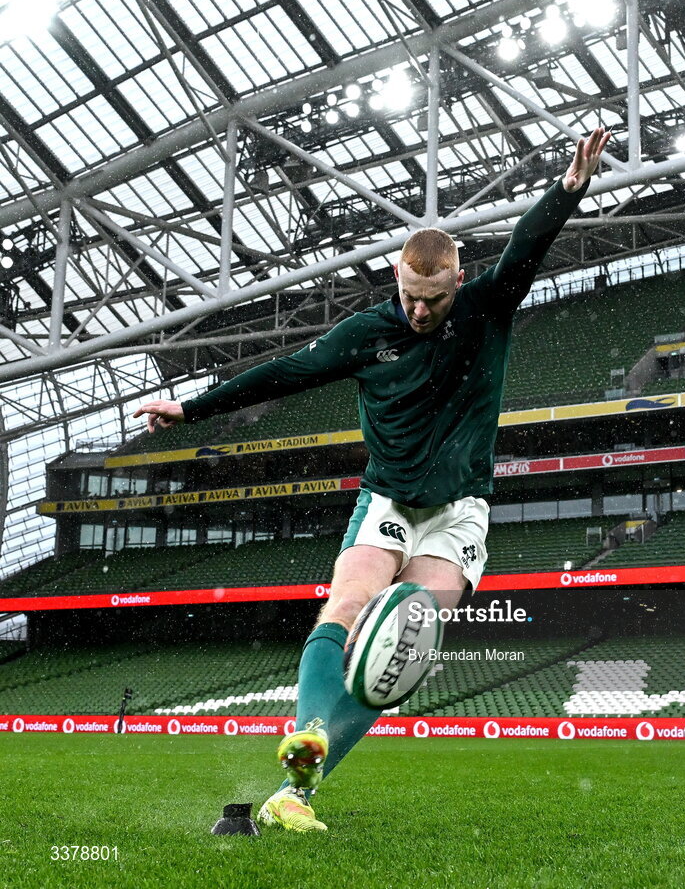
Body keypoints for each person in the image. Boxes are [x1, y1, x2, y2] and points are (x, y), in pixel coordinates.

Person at [134, 125, 612, 832]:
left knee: (406, 639)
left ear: (456, 281)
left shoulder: (485, 309)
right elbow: (287, 371)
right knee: (348, 603)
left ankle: (297, 792)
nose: (421, 311)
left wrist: (568, 189)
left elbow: (524, 249)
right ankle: (309, 738)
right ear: (398, 278)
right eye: (411, 296)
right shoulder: (366, 334)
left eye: (434, 299)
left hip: (459, 511)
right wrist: (195, 406)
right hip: (386, 496)